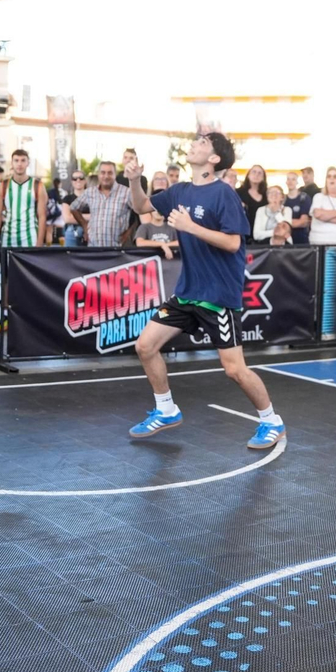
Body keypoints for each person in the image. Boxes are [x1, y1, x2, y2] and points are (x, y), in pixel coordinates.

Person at [120, 139, 286, 450]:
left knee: (234, 369)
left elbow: (233, 243)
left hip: (218, 296)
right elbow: (141, 207)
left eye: (202, 142)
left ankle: (272, 421)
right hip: (188, 293)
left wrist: (190, 226)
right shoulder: (180, 191)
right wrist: (134, 180)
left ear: (214, 158)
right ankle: (166, 409)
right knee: (145, 346)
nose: (194, 144)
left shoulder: (224, 193)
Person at [0, 149, 46, 252]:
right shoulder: (3, 186)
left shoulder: (37, 185)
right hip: (8, 237)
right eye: (16, 160)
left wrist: (40, 242)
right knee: (6, 263)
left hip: (30, 237)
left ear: (28, 163)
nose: (19, 164)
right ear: (12, 163)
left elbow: (42, 216)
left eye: (23, 160)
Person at [71, 161, 132, 248]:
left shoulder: (126, 192)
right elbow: (73, 208)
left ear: (115, 175)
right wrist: (84, 225)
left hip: (117, 248)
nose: (106, 176)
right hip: (94, 248)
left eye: (110, 173)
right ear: (98, 175)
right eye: (103, 173)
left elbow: (139, 212)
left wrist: (129, 231)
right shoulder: (90, 192)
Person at [308, 167, 336, 246]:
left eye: (335, 177)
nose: (332, 179)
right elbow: (318, 214)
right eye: (329, 177)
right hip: (320, 242)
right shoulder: (318, 197)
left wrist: (325, 217)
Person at [236, 164, 268, 234]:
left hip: (262, 233)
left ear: (263, 178)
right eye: (254, 172)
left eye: (259, 173)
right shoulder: (238, 193)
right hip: (243, 231)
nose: (256, 175)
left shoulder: (267, 195)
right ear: (248, 175)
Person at [282, 171, 312, 245]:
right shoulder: (282, 200)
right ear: (286, 182)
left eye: (293, 179)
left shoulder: (304, 198)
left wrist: (285, 223)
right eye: (288, 179)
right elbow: (278, 223)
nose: (290, 182)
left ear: (297, 182)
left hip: (301, 240)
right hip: (285, 241)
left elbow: (303, 222)